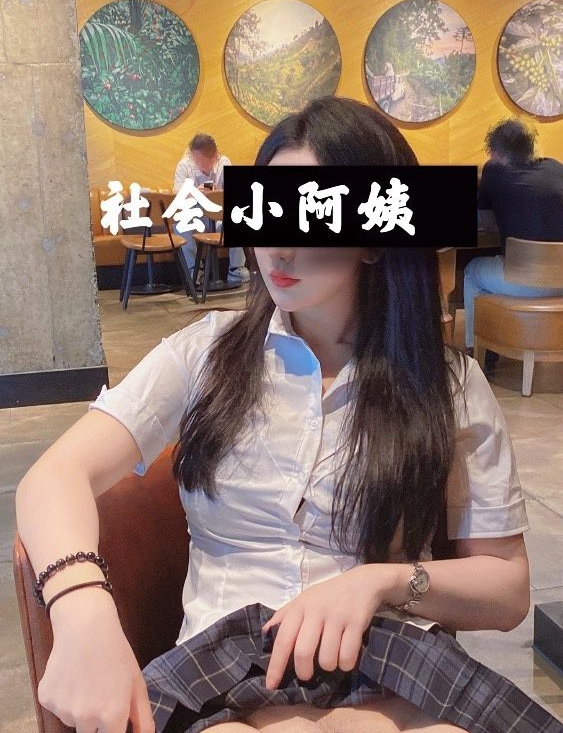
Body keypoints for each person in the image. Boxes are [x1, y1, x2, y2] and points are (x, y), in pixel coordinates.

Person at [16, 97, 562, 733]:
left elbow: (506, 589)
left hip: (392, 664)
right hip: (225, 675)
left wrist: (382, 582)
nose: (277, 245)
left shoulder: (448, 385)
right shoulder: (204, 353)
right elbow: (55, 477)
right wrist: (83, 608)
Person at [464, 118, 563, 373]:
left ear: (497, 152)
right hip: (561, 280)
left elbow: (488, 225)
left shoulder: (494, 171)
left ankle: (478, 353)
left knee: (471, 271)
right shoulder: (556, 167)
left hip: (524, 281)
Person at [173, 133, 249, 284]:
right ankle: (195, 271)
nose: (200, 165)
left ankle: (236, 269)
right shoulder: (184, 165)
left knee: (242, 218)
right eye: (196, 160)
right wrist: (195, 192)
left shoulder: (224, 163)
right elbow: (177, 195)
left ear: (215, 156)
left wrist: (217, 194)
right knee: (179, 223)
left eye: (204, 161)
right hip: (196, 220)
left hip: (219, 219)